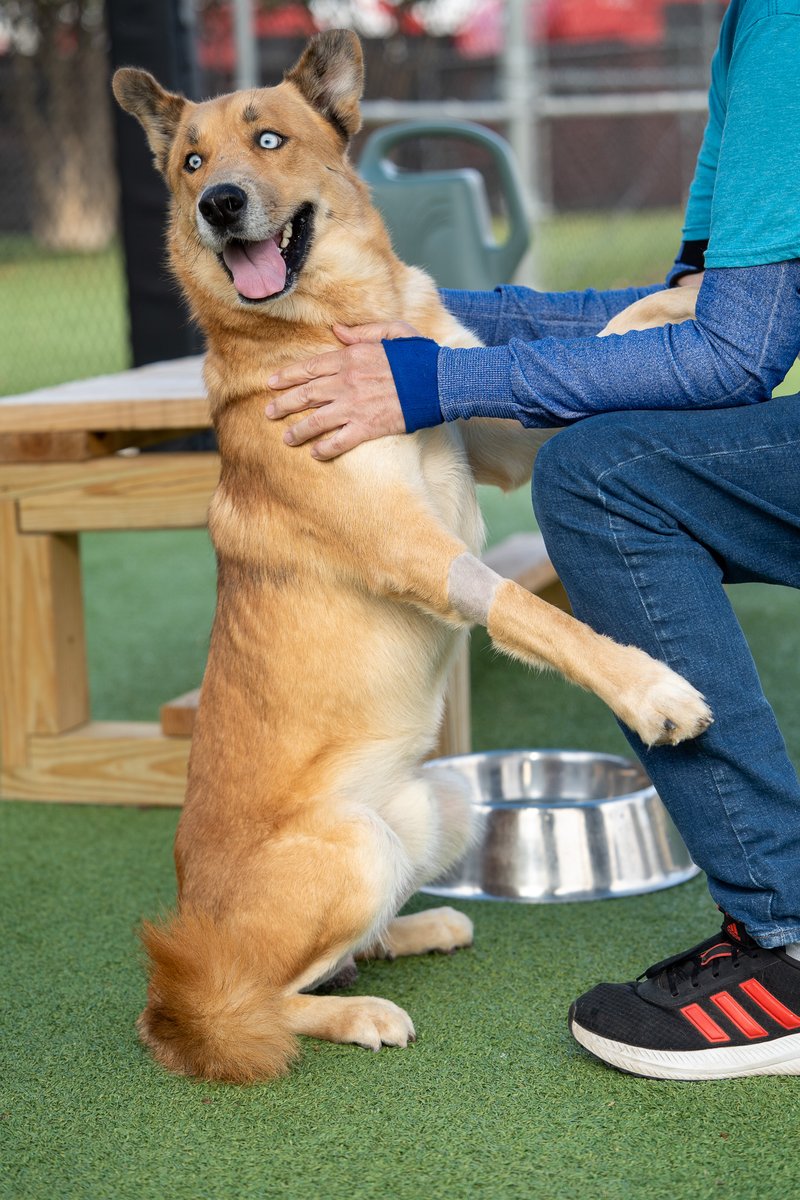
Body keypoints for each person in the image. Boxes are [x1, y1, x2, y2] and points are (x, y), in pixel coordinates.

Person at [265, 0, 800, 1080]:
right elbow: (683, 308)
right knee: (613, 455)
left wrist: (439, 378)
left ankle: (785, 937)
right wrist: (418, 313)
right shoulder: (752, 25)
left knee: (605, 476)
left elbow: (732, 358)